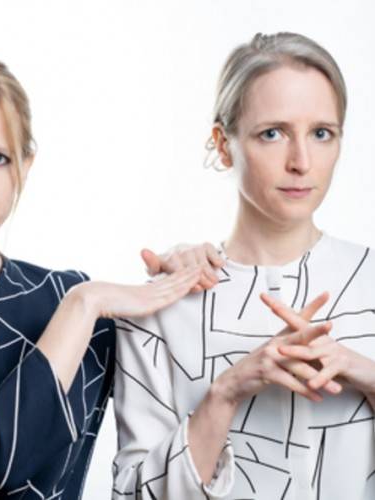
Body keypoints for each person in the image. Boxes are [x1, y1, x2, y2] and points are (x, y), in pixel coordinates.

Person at [0, 56, 223, 499]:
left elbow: (184, 400)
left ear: (25, 166)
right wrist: (84, 303)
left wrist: (191, 269)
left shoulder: (60, 298)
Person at [113, 32, 375, 500]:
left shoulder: (368, 280)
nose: (301, 162)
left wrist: (364, 373)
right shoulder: (158, 308)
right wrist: (227, 391)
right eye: (272, 133)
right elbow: (133, 493)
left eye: (321, 133)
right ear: (223, 143)